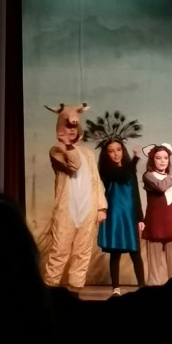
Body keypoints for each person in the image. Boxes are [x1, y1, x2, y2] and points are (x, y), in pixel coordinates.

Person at [43, 102, 107, 293]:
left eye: (74, 128)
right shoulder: (56, 150)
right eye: (67, 127)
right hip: (67, 209)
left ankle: (75, 291)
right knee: (60, 250)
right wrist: (67, 145)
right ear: (59, 128)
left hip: (88, 208)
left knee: (83, 251)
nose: (71, 131)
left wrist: (101, 207)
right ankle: (50, 290)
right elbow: (74, 165)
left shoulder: (88, 153)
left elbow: (96, 180)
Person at [83, 110, 146, 296]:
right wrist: (135, 159)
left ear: (122, 150)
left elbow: (135, 193)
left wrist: (140, 217)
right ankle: (116, 288)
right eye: (111, 151)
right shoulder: (106, 170)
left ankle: (143, 286)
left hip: (129, 215)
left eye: (118, 150)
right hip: (115, 216)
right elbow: (121, 175)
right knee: (115, 252)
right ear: (106, 154)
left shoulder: (129, 169)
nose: (116, 154)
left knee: (135, 253)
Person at [142, 143, 172, 286]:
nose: (162, 161)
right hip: (155, 223)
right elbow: (162, 187)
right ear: (152, 160)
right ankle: (153, 290)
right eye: (158, 158)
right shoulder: (149, 176)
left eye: (165, 158)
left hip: (171, 223)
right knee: (154, 266)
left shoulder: (171, 177)